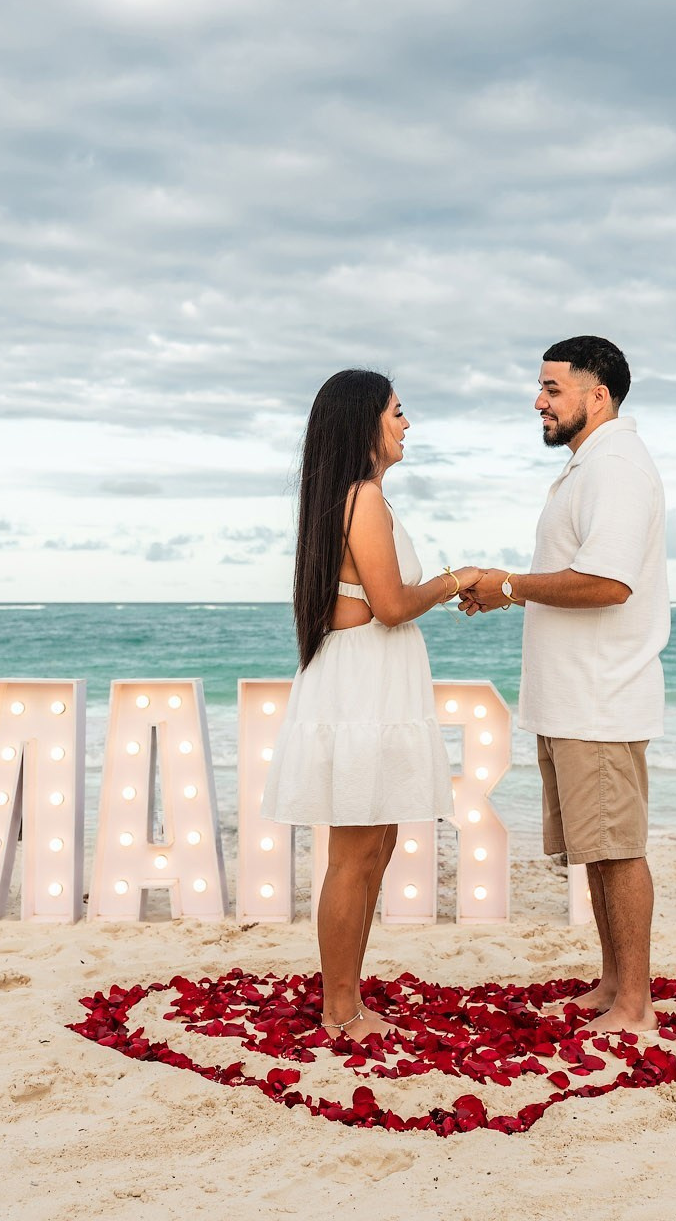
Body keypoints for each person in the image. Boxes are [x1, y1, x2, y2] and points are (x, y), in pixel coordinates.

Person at [261, 369, 482, 1042]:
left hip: (373, 682)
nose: (406, 424)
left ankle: (347, 995)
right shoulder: (363, 499)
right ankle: (339, 1008)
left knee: (376, 843)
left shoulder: (358, 500)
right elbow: (388, 605)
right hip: (362, 687)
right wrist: (455, 579)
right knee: (355, 853)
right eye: (397, 412)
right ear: (366, 424)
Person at [461, 336, 669, 1034]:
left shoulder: (616, 468)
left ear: (597, 395)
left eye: (552, 388)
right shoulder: (590, 468)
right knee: (595, 849)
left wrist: (509, 585)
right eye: (541, 388)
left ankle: (634, 1002)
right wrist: (505, 590)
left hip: (601, 695)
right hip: (574, 697)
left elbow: (609, 582)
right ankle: (614, 983)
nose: (538, 401)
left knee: (617, 849)